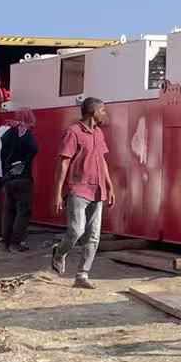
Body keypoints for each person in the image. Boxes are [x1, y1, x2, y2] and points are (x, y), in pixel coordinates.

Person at [51, 97, 113, 290]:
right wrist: (57, 193)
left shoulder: (98, 133)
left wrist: (110, 186)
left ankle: (82, 275)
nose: (105, 114)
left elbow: (102, 160)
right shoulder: (73, 133)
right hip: (78, 189)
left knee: (93, 236)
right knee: (76, 231)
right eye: (103, 110)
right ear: (93, 112)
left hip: (98, 191)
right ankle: (59, 253)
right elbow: (63, 164)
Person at [0, 107, 39, 253]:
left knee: (9, 209)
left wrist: (5, 173)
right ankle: (16, 242)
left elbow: (2, 155)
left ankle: (6, 239)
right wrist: (25, 159)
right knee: (23, 210)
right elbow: (34, 148)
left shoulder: (8, 133)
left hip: (9, 177)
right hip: (22, 177)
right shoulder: (25, 133)